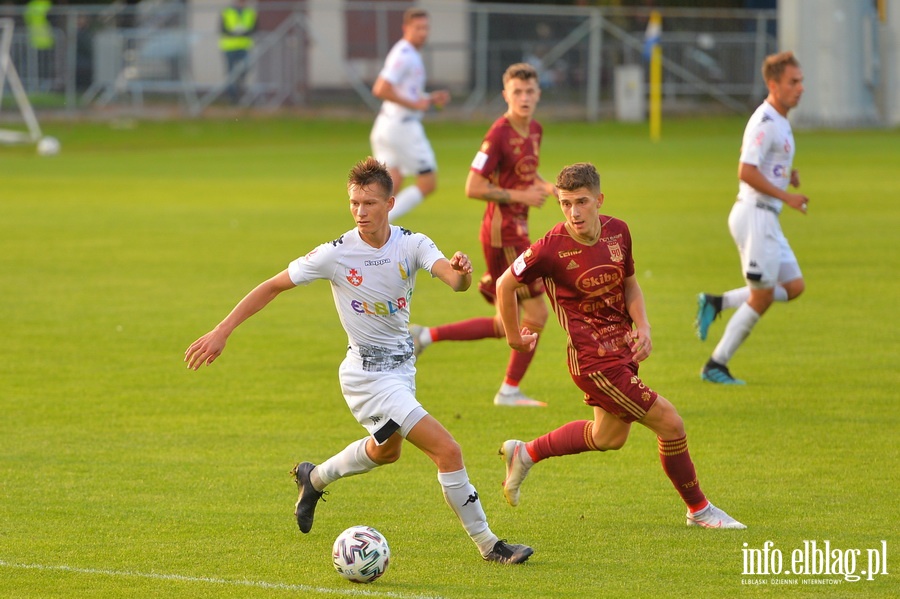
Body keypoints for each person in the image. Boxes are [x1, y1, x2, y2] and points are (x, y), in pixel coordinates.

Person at [184, 157, 533, 565]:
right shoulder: (335, 253)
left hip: (402, 369)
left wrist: (463, 273)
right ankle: (490, 546)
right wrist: (223, 330)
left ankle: (312, 479)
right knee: (448, 450)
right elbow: (273, 285)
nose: (360, 212)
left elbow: (455, 282)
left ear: (390, 203)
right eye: (354, 203)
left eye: (369, 203)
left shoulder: (412, 243)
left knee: (387, 453)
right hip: (368, 377)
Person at [495, 162, 746, 529]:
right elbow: (505, 284)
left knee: (608, 436)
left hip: (622, 352)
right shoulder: (549, 248)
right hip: (593, 362)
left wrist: (642, 325)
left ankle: (526, 452)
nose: (573, 212)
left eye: (581, 202)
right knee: (671, 423)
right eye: (565, 203)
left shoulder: (619, 232)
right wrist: (515, 336)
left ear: (599, 199)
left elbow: (630, 284)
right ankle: (699, 510)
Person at [410, 63, 555, 407]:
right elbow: (473, 186)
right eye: (516, 92)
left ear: (538, 94)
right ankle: (509, 391)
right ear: (505, 94)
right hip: (501, 234)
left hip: (518, 229)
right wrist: (521, 197)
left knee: (508, 321)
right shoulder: (498, 135)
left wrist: (553, 189)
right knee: (536, 314)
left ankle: (425, 336)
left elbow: (525, 177)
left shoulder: (535, 129)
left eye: (529, 91)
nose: (524, 98)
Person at [695, 51, 808, 385]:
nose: (800, 88)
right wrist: (788, 195)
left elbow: (764, 163)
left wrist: (788, 175)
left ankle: (717, 302)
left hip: (766, 217)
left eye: (801, 81)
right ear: (773, 84)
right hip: (755, 216)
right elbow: (746, 170)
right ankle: (716, 364)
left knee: (793, 286)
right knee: (762, 296)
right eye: (793, 82)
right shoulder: (766, 121)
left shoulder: (780, 119)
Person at [370, 8, 450, 222]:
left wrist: (429, 98)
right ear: (406, 28)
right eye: (418, 28)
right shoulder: (404, 55)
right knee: (428, 183)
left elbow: (406, 92)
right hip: (402, 128)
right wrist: (414, 103)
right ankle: (378, 222)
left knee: (390, 184)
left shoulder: (410, 53)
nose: (423, 33)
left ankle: (372, 225)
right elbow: (381, 88)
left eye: (426, 28)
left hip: (387, 124)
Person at [219, 0, 257, 105]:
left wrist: (244, 31)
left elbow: (255, 28)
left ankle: (240, 89)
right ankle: (233, 97)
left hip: (244, 46)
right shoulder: (227, 11)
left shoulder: (250, 12)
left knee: (245, 68)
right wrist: (233, 32)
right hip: (230, 47)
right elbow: (222, 28)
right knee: (231, 72)